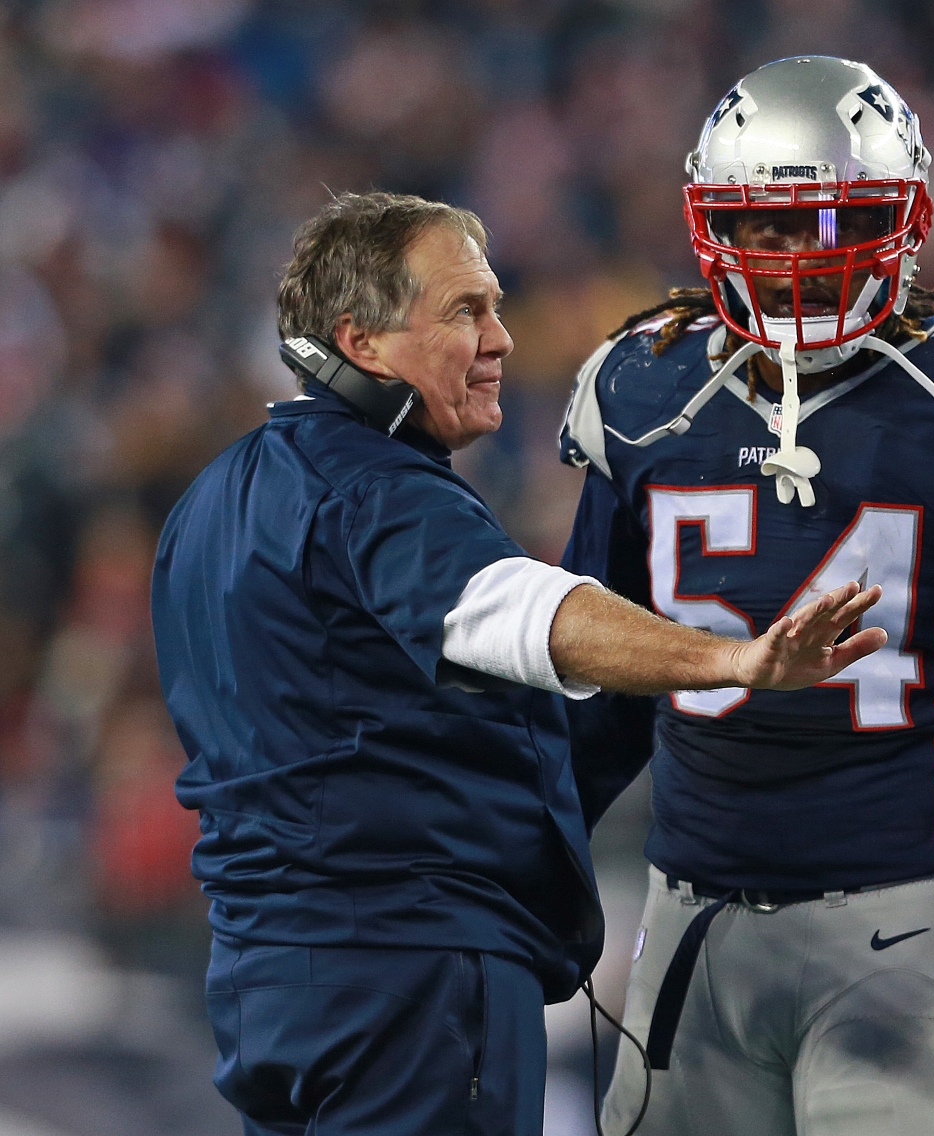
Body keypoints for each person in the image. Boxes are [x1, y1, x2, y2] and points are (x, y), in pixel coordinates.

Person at [150, 190, 886, 1136]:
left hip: (266, 975)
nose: (502, 338)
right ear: (361, 342)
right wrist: (733, 659)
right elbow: (515, 611)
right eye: (465, 311)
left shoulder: (210, 500)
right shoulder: (378, 490)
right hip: (408, 972)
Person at [558, 57, 934, 1135]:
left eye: (833, 220)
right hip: (687, 921)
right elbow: (597, 695)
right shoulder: (644, 392)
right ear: (711, 226)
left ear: (905, 217)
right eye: (765, 226)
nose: (796, 261)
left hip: (905, 924)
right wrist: (514, 861)